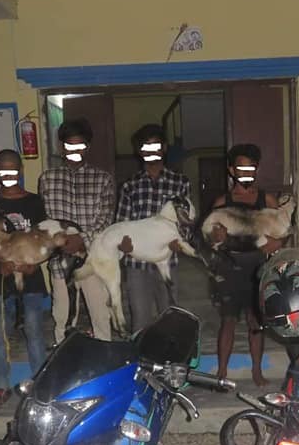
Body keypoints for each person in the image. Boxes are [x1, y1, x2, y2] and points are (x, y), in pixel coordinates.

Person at [0, 149, 47, 406]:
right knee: (0, 334)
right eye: (2, 170)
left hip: (31, 279)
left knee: (35, 331)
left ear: (21, 170)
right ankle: (1, 385)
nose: (8, 175)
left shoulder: (35, 202)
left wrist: (34, 264)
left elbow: (43, 239)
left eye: (12, 169)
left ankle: (39, 385)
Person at [208, 144, 284, 386]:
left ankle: (257, 371)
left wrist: (278, 243)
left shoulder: (267, 199)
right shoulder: (223, 201)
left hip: (257, 267)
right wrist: (216, 237)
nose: (246, 172)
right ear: (231, 170)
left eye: (251, 168)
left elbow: (281, 231)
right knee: (228, 321)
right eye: (241, 168)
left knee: (255, 321)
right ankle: (221, 372)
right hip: (229, 267)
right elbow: (212, 237)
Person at [39, 118, 114, 342]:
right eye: (69, 145)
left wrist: (81, 240)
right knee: (62, 316)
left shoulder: (103, 179)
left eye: (79, 145)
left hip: (93, 260)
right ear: (61, 147)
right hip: (60, 262)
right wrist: (62, 243)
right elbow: (45, 219)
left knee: (100, 315)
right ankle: (64, 355)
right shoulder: (47, 179)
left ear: (87, 147)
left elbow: (105, 220)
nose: (74, 151)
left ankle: (103, 354)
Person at [116, 124, 191, 332]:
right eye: (145, 147)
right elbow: (122, 223)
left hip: (167, 260)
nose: (151, 151)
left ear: (164, 148)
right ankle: (141, 353)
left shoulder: (180, 183)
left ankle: (169, 353)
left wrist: (180, 241)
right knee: (140, 319)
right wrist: (124, 243)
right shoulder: (130, 185)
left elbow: (185, 221)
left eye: (155, 146)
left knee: (170, 317)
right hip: (137, 263)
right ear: (139, 151)